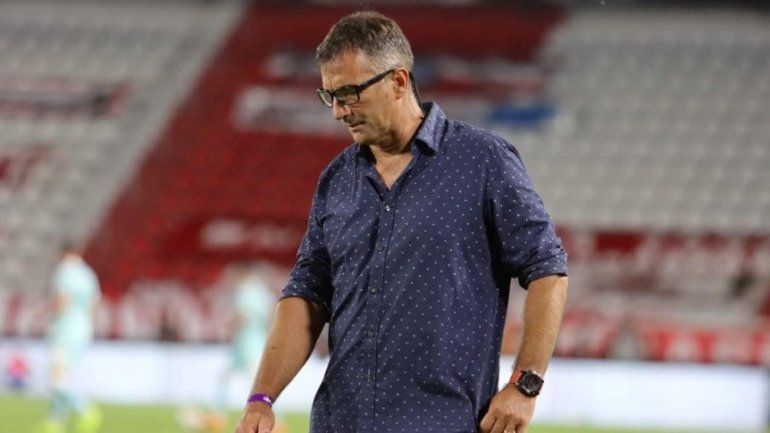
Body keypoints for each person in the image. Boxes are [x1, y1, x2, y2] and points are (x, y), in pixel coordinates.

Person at [235, 11, 569, 433]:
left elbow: (547, 270)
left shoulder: (483, 161)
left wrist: (525, 384)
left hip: (446, 423)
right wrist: (262, 399)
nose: (338, 111)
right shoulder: (337, 179)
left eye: (349, 93)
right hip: (340, 423)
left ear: (398, 81)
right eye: (329, 96)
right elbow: (306, 294)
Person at [38, 243, 102, 433]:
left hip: (65, 329)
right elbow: (93, 304)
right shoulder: (88, 273)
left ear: (62, 254)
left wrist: (44, 312)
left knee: (57, 378)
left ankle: (85, 410)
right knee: (63, 376)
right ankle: (54, 423)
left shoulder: (64, 271)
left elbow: (62, 302)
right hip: (83, 328)